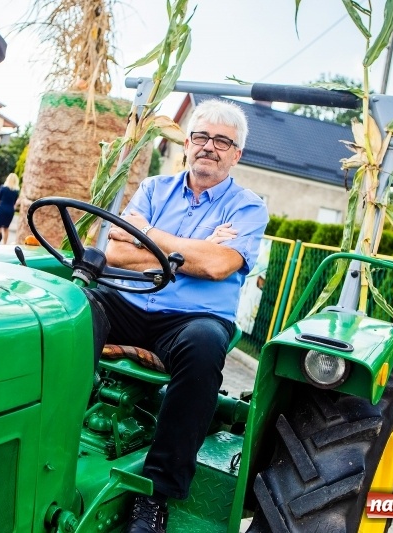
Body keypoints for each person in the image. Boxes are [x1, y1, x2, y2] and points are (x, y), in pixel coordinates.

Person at [88, 99, 269, 533]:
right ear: (187, 143)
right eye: (202, 137)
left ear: (236, 154)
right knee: (79, 307)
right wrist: (197, 245)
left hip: (193, 319)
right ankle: (64, 426)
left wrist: (147, 237)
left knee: (205, 346)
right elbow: (114, 251)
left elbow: (218, 266)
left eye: (222, 141)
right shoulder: (153, 189)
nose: (210, 147)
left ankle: (156, 494)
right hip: (130, 301)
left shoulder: (247, 207)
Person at [0, 172, 20, 244]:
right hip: (10, 210)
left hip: (1, 209)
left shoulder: (3, 188)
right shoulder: (16, 191)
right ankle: (4, 244)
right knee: (6, 228)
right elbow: (15, 202)